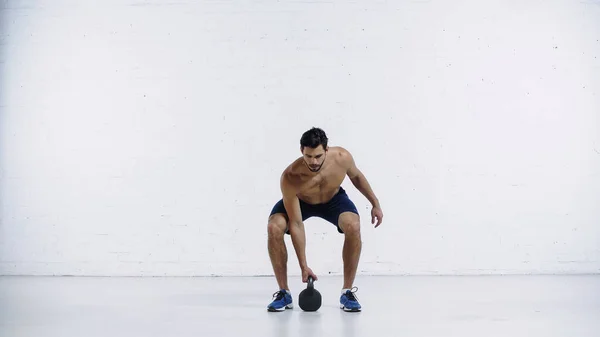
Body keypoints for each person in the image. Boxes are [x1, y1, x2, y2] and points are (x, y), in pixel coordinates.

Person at [266, 127, 383, 312]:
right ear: (301, 151)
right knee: (274, 226)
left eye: (318, 156)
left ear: (326, 150)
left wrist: (375, 203)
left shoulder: (342, 157)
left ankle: (347, 292)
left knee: (353, 225)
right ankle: (284, 293)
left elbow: (357, 177)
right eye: (308, 156)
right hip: (301, 201)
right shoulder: (291, 177)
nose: (313, 162)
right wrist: (304, 267)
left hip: (333, 199)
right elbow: (296, 224)